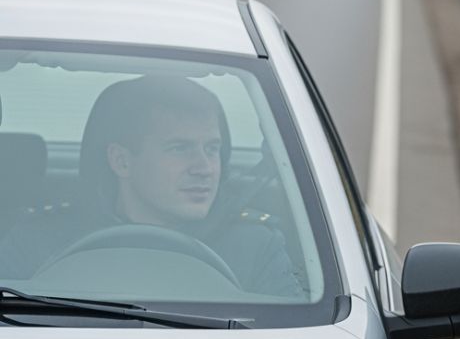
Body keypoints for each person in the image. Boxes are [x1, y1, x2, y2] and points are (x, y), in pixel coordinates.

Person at [0, 75, 303, 297]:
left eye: (212, 149)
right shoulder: (36, 242)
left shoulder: (255, 246)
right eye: (180, 148)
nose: (204, 168)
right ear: (121, 161)